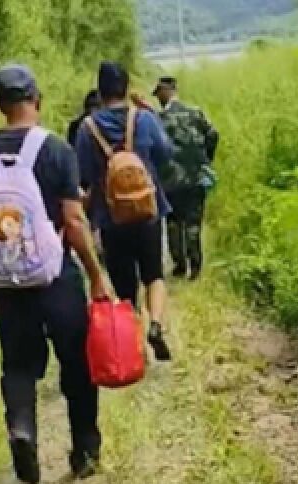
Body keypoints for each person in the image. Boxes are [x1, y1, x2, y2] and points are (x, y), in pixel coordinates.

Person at [0, 63, 111, 484]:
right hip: (56, 276)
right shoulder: (56, 149)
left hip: (6, 281)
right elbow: (74, 220)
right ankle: (84, 451)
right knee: (76, 363)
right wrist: (97, 276)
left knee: (19, 364)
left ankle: (22, 428)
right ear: (37, 100)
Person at [76, 61, 174, 362]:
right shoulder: (143, 119)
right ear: (126, 87)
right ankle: (155, 323)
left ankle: (135, 347)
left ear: (101, 90)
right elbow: (167, 153)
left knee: (125, 287)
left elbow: (82, 174)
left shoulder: (87, 128)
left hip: (110, 218)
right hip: (147, 213)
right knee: (154, 274)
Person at [154, 76, 219, 279]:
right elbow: (213, 135)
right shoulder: (195, 113)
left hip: (170, 180)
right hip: (195, 177)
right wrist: (205, 159)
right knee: (193, 222)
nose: (159, 99)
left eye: (159, 94)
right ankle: (195, 266)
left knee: (173, 222)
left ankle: (180, 265)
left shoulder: (158, 119)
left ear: (165, 92)